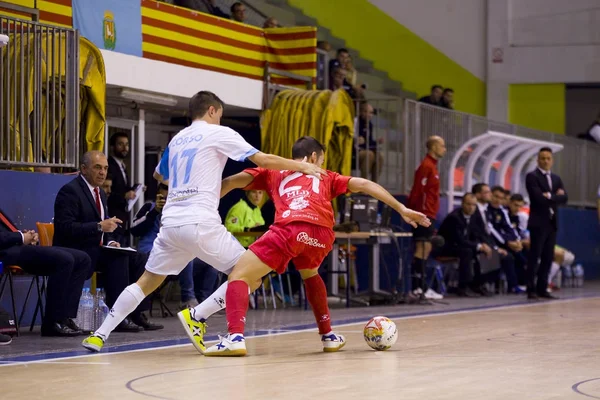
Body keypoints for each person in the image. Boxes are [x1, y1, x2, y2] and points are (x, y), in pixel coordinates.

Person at [81, 91, 325, 352]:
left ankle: (99, 334)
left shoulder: (177, 139)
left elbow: (158, 175)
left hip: (171, 223)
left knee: (146, 282)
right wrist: (302, 167)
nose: (220, 120)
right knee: (252, 275)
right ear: (211, 110)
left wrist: (186, 181)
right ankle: (196, 316)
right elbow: (263, 160)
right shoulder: (218, 133)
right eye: (219, 115)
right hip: (200, 222)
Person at [192, 136, 430, 356]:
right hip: (322, 235)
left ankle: (235, 337)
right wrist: (402, 208)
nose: (322, 164)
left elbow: (231, 182)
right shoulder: (326, 176)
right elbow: (365, 184)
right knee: (310, 273)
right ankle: (328, 336)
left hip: (291, 228)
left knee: (239, 276)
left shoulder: (272, 173)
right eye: (323, 159)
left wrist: (202, 206)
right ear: (314, 157)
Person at [53, 151, 161, 333]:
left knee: (138, 258)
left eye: (105, 168)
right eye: (97, 167)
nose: (102, 172)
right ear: (84, 169)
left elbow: (105, 228)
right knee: (118, 259)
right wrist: (98, 227)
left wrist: (110, 242)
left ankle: (137, 313)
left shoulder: (101, 194)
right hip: (76, 248)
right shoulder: (70, 191)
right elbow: (65, 227)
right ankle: (118, 317)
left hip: (97, 249)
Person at [0, 219, 93, 336]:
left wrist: (28, 236)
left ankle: (65, 317)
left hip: (19, 247)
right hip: (6, 252)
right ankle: (52, 322)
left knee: (83, 259)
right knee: (64, 260)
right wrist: (21, 237)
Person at [406, 135, 446, 300]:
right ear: (434, 146)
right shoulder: (426, 166)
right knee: (422, 248)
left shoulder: (433, 167)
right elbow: (417, 191)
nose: (444, 149)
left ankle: (420, 288)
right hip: (424, 213)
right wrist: (415, 213)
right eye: (442, 145)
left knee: (426, 249)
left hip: (430, 213)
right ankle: (418, 289)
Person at [525, 147, 567, 300]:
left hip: (552, 222)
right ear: (538, 160)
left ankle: (543, 288)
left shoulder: (556, 178)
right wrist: (555, 196)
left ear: (552, 160)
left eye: (548, 158)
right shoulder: (532, 176)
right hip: (538, 222)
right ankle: (531, 289)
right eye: (542, 158)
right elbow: (537, 198)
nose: (545, 161)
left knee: (548, 257)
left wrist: (549, 195)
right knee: (534, 256)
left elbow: (565, 198)